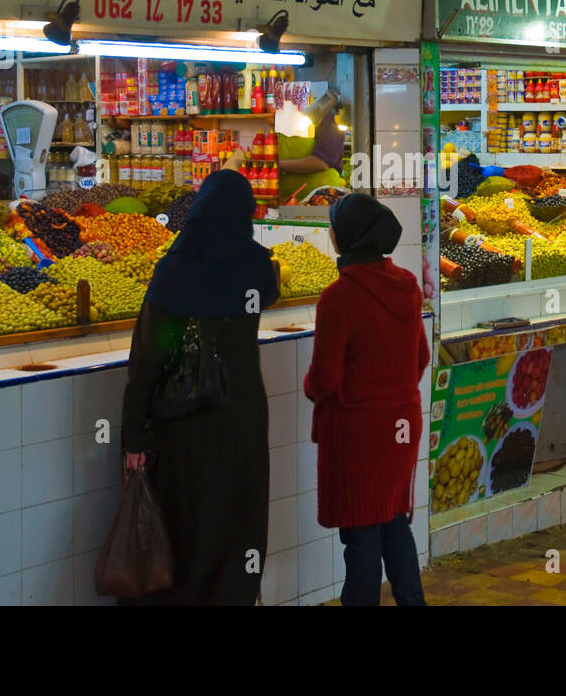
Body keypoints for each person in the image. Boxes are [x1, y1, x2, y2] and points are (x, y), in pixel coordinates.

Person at [120, 168, 279, 605]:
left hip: (184, 425)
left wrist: (132, 434)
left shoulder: (175, 271)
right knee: (237, 524)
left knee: (187, 528)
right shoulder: (259, 270)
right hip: (241, 420)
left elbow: (147, 361)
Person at [304, 193, 429, 606]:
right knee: (393, 523)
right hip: (401, 426)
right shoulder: (408, 286)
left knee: (360, 538)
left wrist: (312, 388)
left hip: (358, 433)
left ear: (342, 238)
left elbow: (324, 379)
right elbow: (421, 357)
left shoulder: (338, 298)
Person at [278, 90, 346, 202]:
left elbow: (321, 162)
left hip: (322, 200)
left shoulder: (323, 114)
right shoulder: (280, 118)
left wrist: (279, 165)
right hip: (287, 200)